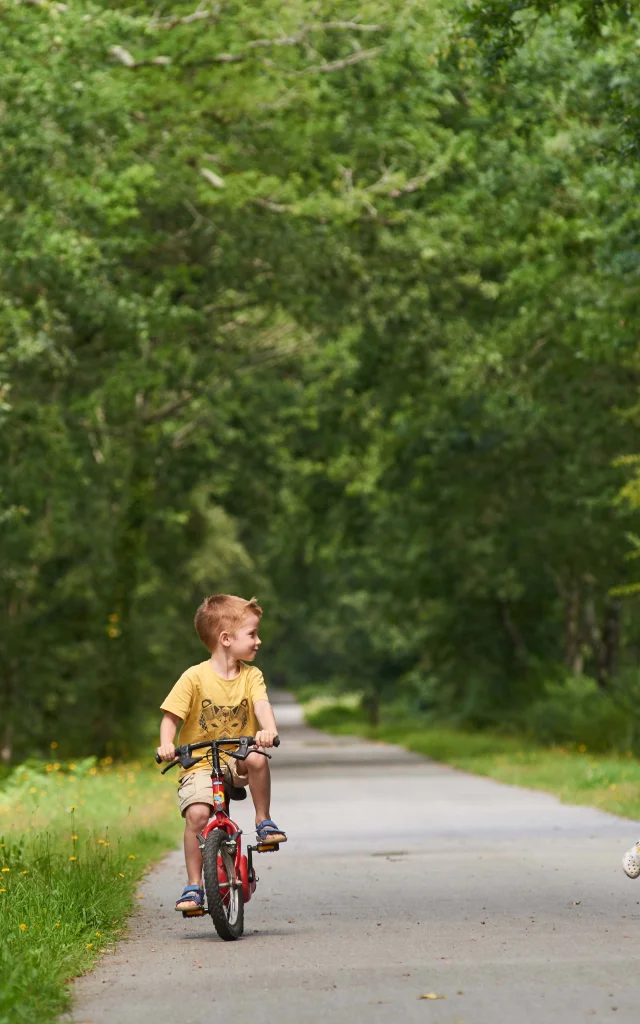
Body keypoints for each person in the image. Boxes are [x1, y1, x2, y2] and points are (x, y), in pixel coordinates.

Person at [157, 593, 287, 912]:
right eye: (252, 634)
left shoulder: (251, 676)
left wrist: (267, 730)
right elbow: (170, 717)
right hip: (199, 761)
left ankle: (263, 820)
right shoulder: (194, 677)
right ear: (226, 639)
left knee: (256, 756)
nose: (258, 641)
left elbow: (261, 705)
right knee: (197, 816)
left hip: (235, 757)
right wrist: (166, 744)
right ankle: (193, 886)